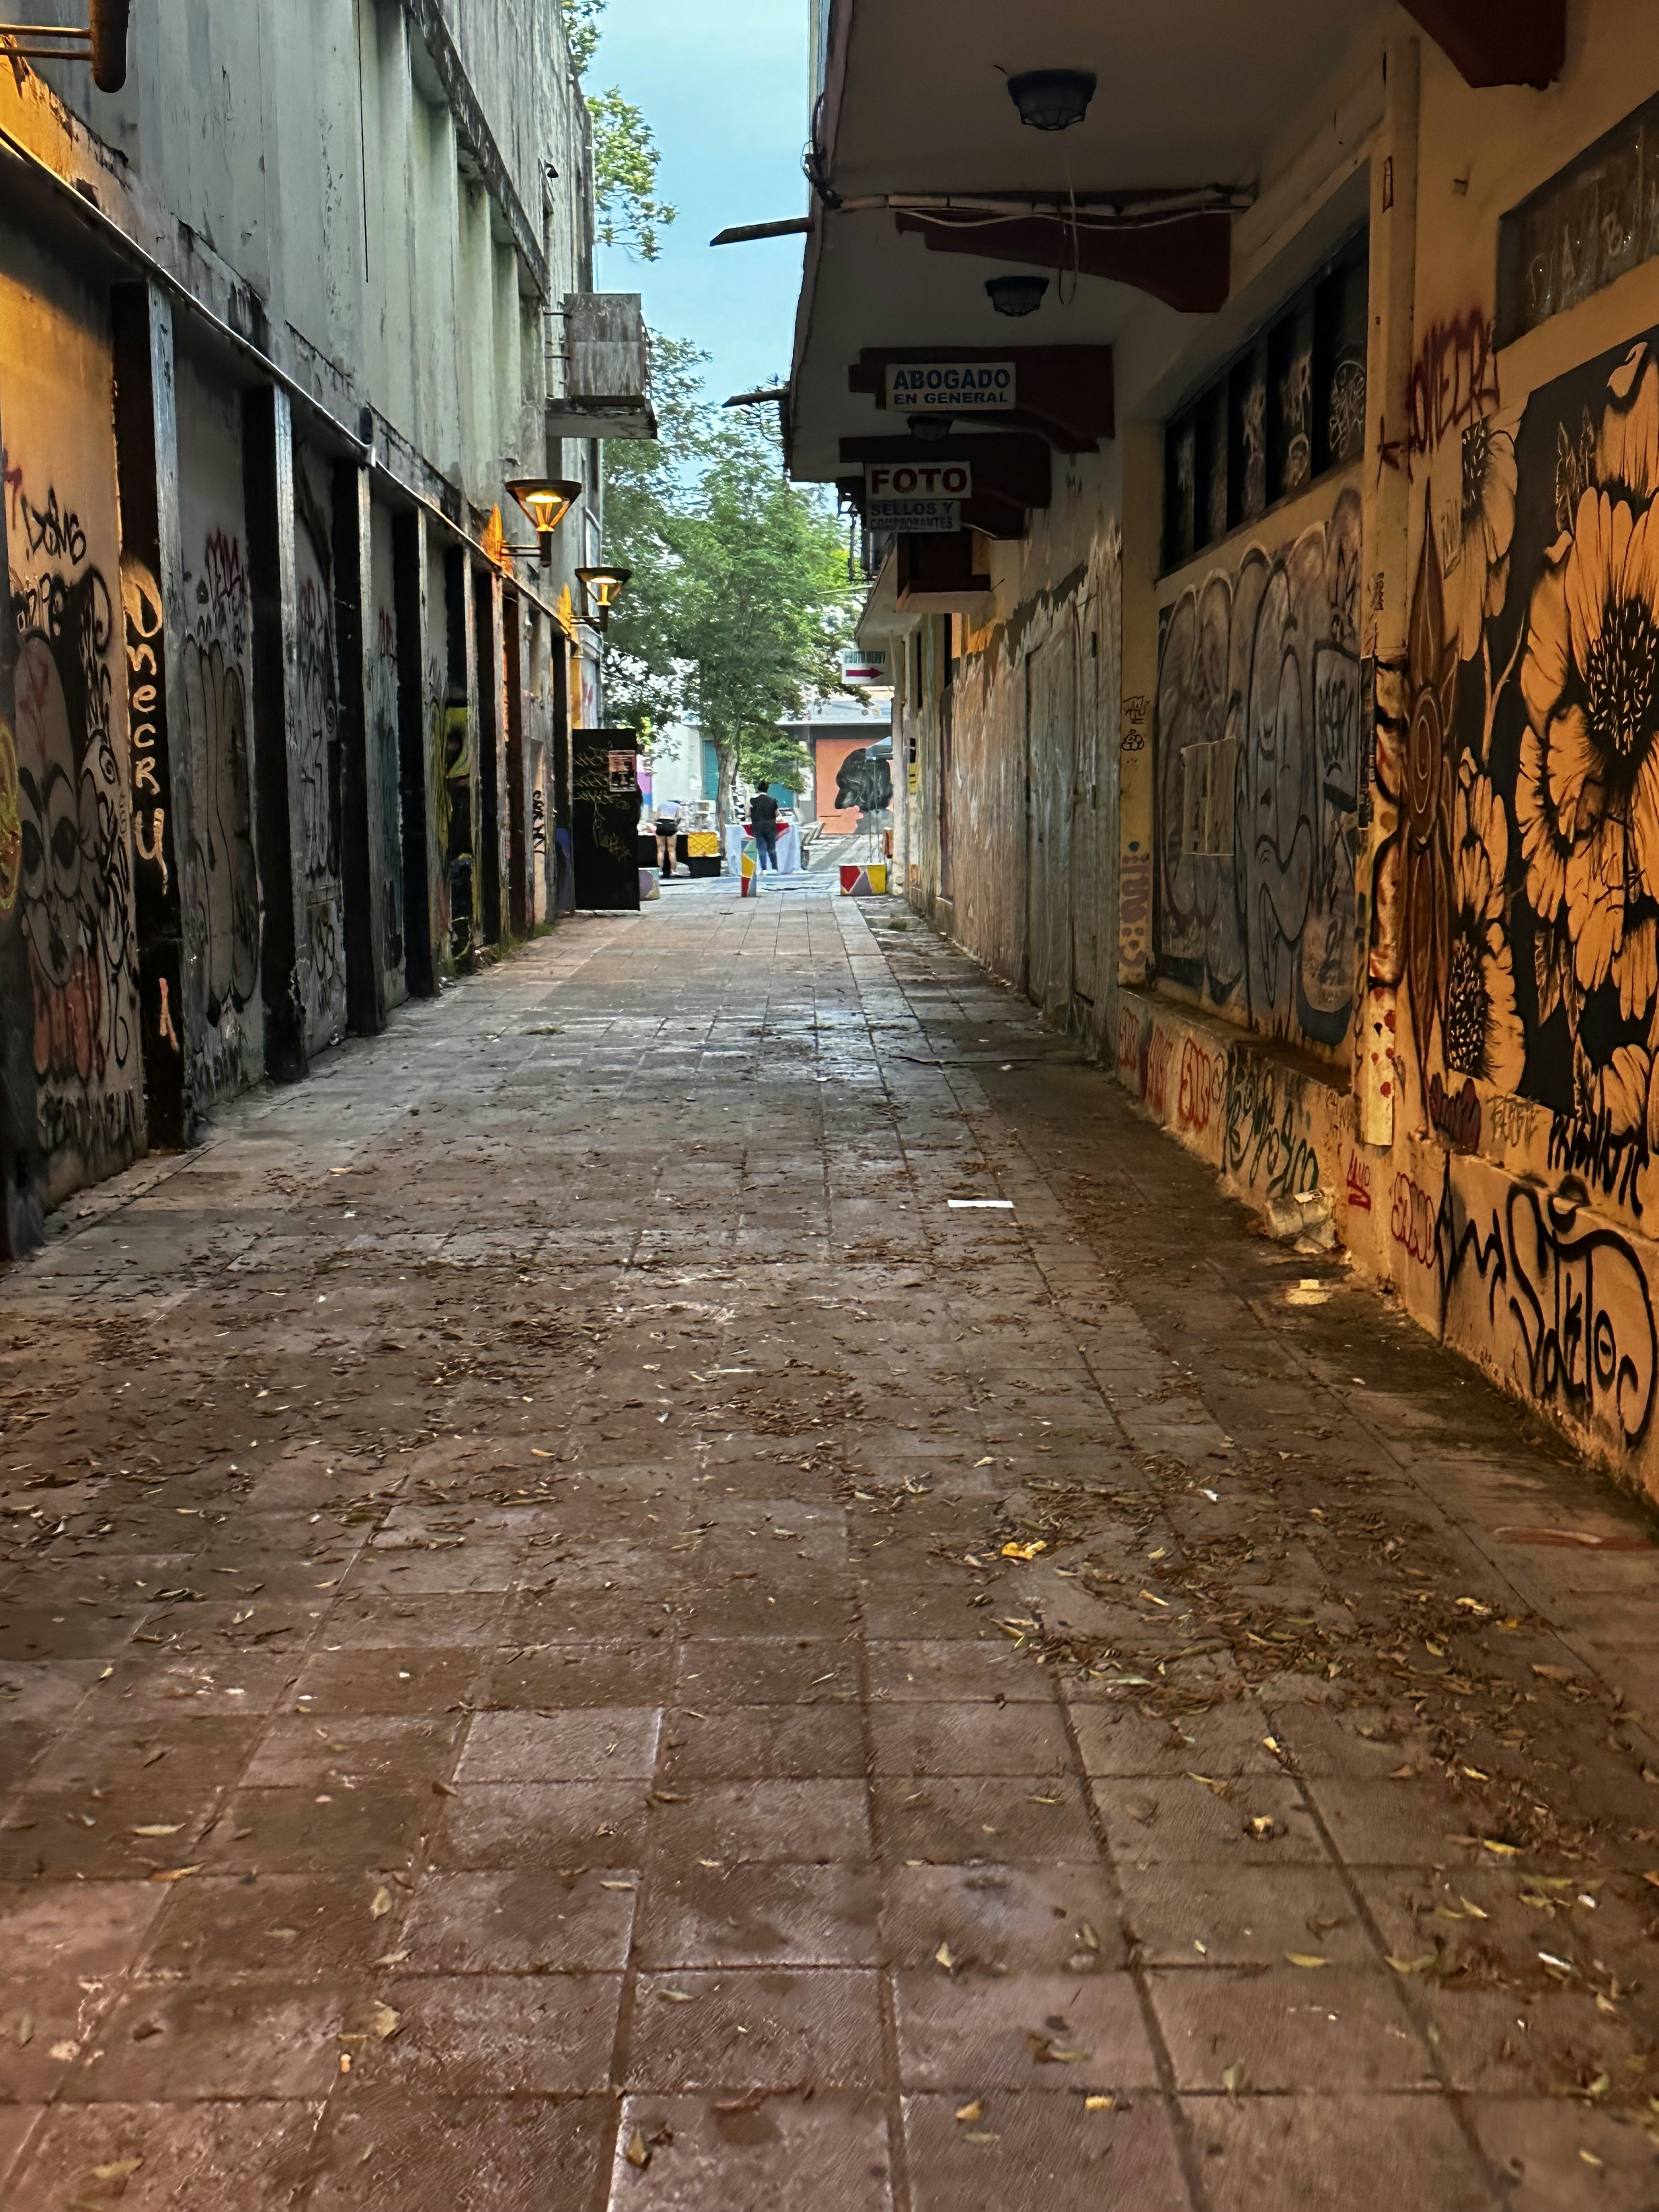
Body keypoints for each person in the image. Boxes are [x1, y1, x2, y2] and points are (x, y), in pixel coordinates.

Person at [750, 785, 780, 871]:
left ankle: (764, 869)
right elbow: (777, 814)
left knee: (762, 849)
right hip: (770, 827)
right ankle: (775, 868)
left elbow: (749, 813)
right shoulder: (773, 801)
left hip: (758, 827)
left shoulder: (753, 801)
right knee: (772, 848)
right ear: (767, 789)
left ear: (758, 790)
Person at [654, 795, 681, 877]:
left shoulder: (661, 805)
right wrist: (676, 825)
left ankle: (660, 871)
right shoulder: (678, 806)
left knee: (660, 850)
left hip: (661, 824)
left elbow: (656, 818)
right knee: (672, 850)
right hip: (671, 824)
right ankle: (673, 871)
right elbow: (679, 817)